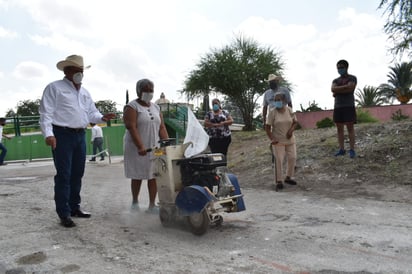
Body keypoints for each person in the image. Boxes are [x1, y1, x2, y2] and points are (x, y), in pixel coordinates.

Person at [39, 54, 116, 228]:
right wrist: (48, 134)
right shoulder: (54, 88)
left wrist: (102, 117)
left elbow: (92, 114)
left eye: (81, 71)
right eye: (76, 70)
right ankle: (64, 213)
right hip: (62, 135)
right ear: (67, 71)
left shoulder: (85, 92)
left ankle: (75, 207)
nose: (80, 74)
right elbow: (46, 113)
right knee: (64, 174)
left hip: (80, 135)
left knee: (77, 173)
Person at [123, 78, 169, 213]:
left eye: (151, 90)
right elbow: (131, 127)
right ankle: (135, 202)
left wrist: (166, 143)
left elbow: (161, 127)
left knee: (153, 175)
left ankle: (151, 205)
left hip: (154, 146)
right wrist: (140, 146)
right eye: (146, 90)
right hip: (136, 147)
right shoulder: (131, 107)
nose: (149, 93)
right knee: (137, 175)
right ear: (138, 91)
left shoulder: (156, 107)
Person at [265, 92, 298, 191]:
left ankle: (288, 177)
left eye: (278, 100)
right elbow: (267, 127)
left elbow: (295, 122)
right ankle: (279, 181)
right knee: (279, 160)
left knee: (292, 157)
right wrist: (272, 139)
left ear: (284, 101)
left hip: (290, 140)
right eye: (275, 100)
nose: (276, 102)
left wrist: (291, 130)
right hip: (278, 141)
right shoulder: (272, 112)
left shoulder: (289, 110)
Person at [262, 74, 293, 168]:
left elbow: (290, 104)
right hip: (272, 117)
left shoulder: (284, 90)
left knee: (286, 136)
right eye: (270, 82)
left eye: (273, 82)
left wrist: (290, 116)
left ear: (277, 81)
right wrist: (264, 120)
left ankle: (289, 158)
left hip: (284, 115)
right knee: (273, 138)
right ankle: (275, 159)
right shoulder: (267, 94)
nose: (271, 84)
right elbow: (265, 107)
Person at [331, 59, 357, 158]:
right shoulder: (335, 80)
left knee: (350, 128)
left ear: (346, 67)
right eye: (338, 68)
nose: (339, 69)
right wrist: (345, 88)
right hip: (338, 107)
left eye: (341, 67)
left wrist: (337, 91)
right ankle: (342, 149)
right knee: (339, 129)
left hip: (349, 106)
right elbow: (332, 89)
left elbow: (351, 88)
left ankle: (352, 150)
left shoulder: (353, 78)